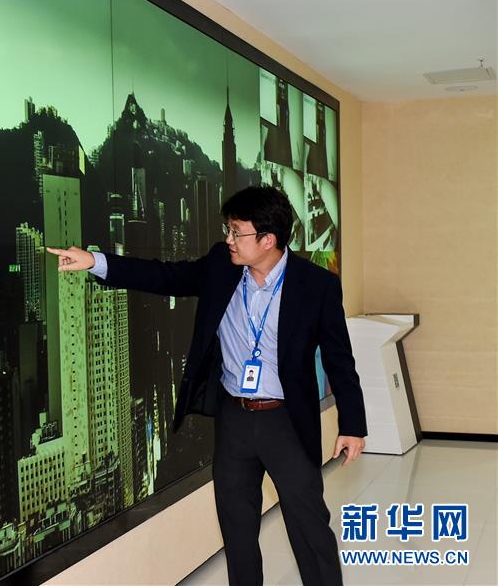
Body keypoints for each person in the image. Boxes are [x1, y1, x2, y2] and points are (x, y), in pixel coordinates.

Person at [46, 186, 366, 586]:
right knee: (237, 530)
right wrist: (95, 261)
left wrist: (353, 424)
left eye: (236, 232)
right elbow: (164, 276)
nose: (228, 239)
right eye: (227, 230)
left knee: (309, 527)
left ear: (267, 240)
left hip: (286, 420)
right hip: (234, 420)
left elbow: (339, 358)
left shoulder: (316, 285)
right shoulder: (221, 265)